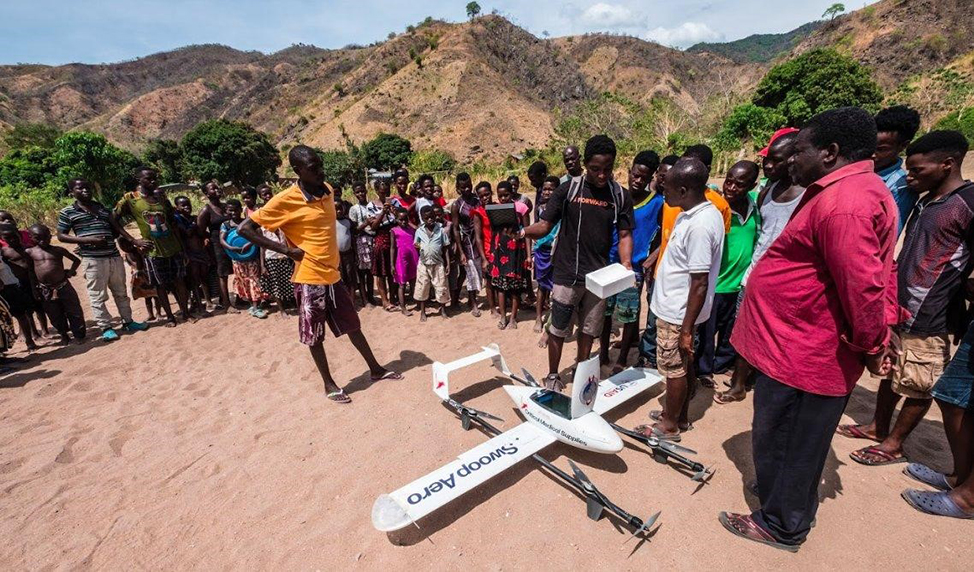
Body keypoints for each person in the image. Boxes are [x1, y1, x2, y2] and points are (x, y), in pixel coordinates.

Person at [719, 107, 900, 552]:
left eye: (798, 150)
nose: (790, 161)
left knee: (790, 438)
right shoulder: (846, 191)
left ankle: (782, 524)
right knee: (783, 434)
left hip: (807, 353)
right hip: (794, 347)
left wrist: (872, 343)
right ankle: (782, 497)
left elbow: (864, 287)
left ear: (830, 152)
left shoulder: (847, 204)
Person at [839, 131, 973, 467]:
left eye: (917, 171)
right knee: (894, 371)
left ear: (948, 163)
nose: (909, 177)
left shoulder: (967, 203)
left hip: (933, 312)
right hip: (902, 306)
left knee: (918, 380)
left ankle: (894, 443)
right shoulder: (929, 200)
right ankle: (878, 426)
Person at [238, 145, 401, 403]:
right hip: (309, 277)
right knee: (314, 334)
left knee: (353, 325)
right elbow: (245, 229)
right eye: (313, 169)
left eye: (320, 166)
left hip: (333, 275)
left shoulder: (327, 190)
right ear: (297, 171)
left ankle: (376, 369)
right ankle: (329, 384)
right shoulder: (285, 200)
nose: (320, 172)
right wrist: (285, 250)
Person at [521, 135, 634, 391]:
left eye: (607, 169)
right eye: (595, 170)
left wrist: (626, 264)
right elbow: (545, 225)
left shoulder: (619, 195)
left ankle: (582, 369)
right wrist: (522, 233)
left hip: (598, 279)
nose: (602, 175)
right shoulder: (568, 189)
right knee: (558, 329)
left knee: (589, 330)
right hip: (566, 274)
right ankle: (552, 375)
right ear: (585, 164)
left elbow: (626, 234)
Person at [634, 157, 724, 440]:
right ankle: (678, 416)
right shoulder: (695, 214)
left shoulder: (700, 225)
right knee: (683, 366)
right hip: (678, 311)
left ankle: (668, 426)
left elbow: (699, 282)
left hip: (678, 313)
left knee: (673, 369)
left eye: (669, 189)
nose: (664, 193)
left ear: (684, 190)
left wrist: (686, 328)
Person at [714, 131, 805, 404]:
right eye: (766, 159)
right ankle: (739, 384)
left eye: (774, 161)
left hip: (786, 280)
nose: (768, 166)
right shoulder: (766, 193)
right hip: (755, 275)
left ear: (793, 160)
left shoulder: (806, 195)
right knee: (745, 329)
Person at [56, 178, 149, 341]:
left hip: (113, 256)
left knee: (121, 292)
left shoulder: (100, 208)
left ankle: (128, 321)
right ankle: (106, 327)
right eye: (79, 188)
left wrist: (134, 241)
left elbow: (117, 228)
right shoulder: (68, 212)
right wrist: (88, 240)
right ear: (72, 192)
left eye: (87, 187)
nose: (85, 190)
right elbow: (61, 236)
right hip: (93, 259)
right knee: (97, 295)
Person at [695, 161, 760, 387]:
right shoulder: (716, 208)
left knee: (729, 330)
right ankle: (703, 371)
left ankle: (721, 364)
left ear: (751, 186)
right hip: (717, 282)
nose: (731, 187)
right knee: (706, 331)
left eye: (738, 184)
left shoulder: (754, 208)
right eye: (729, 181)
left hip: (740, 283)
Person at [600, 150, 663, 372]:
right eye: (635, 175)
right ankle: (603, 353)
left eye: (643, 178)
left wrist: (650, 260)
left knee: (628, 315)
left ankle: (622, 357)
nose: (637, 181)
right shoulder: (617, 197)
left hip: (633, 268)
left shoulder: (657, 203)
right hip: (609, 263)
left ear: (650, 179)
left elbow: (663, 236)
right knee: (606, 313)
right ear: (628, 172)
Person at [115, 167, 193, 327]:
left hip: (173, 247)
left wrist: (182, 248)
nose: (153, 181)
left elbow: (172, 223)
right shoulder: (131, 199)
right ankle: (170, 318)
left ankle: (186, 313)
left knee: (180, 281)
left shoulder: (161, 197)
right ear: (139, 180)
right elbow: (114, 219)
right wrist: (133, 241)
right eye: (149, 179)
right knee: (160, 285)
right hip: (152, 251)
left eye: (155, 178)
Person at [25, 225, 85, 344]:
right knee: (54, 314)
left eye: (46, 237)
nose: (43, 241)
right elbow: (30, 272)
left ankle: (79, 335)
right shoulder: (29, 252)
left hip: (63, 286)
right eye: (38, 238)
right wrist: (34, 289)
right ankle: (64, 335)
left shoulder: (58, 250)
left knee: (74, 311)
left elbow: (76, 260)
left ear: (50, 236)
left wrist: (71, 272)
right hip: (45, 289)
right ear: (31, 237)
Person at [875, 105, 922, 235]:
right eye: (870, 146)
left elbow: (889, 236)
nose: (873, 154)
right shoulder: (859, 167)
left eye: (881, 149)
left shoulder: (901, 188)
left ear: (903, 145)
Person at [490, 181, 531, 330]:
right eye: (500, 196)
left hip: (516, 252)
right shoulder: (494, 209)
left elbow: (527, 233)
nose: (503, 199)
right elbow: (494, 232)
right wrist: (492, 253)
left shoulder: (521, 208)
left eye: (506, 195)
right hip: (500, 251)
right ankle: (503, 316)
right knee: (501, 287)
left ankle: (513, 317)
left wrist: (528, 255)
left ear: (512, 193)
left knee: (514, 287)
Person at [220, 199, 267, 319]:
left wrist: (250, 243)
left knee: (254, 280)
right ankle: (253, 305)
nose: (233, 212)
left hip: (251, 258)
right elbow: (222, 240)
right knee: (244, 281)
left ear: (241, 210)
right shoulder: (226, 225)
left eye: (236, 210)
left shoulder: (247, 222)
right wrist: (231, 247)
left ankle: (256, 307)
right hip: (237, 259)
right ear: (226, 211)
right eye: (230, 210)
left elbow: (256, 236)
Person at [0, 222, 45, 347]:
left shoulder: (27, 249)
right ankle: (30, 338)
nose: (12, 239)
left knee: (30, 310)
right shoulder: (4, 252)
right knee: (22, 313)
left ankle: (35, 336)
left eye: (15, 236)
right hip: (12, 285)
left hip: (19, 284)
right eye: (7, 238)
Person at [196, 181, 235, 312]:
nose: (217, 189)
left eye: (217, 187)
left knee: (236, 270)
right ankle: (227, 304)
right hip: (217, 246)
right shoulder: (206, 210)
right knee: (222, 274)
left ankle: (238, 297)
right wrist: (207, 238)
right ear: (207, 194)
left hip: (232, 243)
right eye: (213, 189)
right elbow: (199, 231)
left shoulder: (226, 206)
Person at [450, 173, 485, 317]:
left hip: (480, 239)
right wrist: (460, 250)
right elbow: (455, 228)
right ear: (458, 188)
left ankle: (457, 299)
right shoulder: (457, 205)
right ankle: (473, 303)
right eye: (463, 187)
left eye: (469, 186)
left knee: (475, 271)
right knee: (470, 272)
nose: (467, 189)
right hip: (467, 242)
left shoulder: (478, 201)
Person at [173, 195, 211, 315]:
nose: (187, 207)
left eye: (188, 204)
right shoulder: (178, 220)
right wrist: (195, 223)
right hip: (189, 253)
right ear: (177, 207)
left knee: (204, 277)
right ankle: (200, 307)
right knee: (194, 281)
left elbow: (203, 233)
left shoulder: (193, 218)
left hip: (200, 251)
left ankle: (208, 301)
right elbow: (188, 233)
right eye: (183, 205)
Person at [533, 176, 561, 334]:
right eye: (545, 189)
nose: (547, 192)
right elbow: (537, 227)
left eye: (551, 189)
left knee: (557, 287)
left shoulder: (561, 208)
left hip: (556, 250)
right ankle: (538, 317)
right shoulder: (540, 208)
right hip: (542, 250)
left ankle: (552, 321)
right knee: (542, 286)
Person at [414, 205, 451, 321]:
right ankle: (423, 312)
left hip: (438, 263)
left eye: (431, 217)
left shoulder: (440, 231)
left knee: (441, 286)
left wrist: (448, 263)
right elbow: (416, 245)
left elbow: (445, 248)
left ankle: (443, 309)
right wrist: (420, 248)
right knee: (423, 287)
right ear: (422, 219)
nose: (430, 220)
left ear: (435, 217)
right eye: (426, 218)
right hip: (424, 264)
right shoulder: (419, 231)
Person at [370, 179, 399, 311]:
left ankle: (393, 297)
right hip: (381, 240)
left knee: (393, 271)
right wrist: (382, 213)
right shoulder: (371, 206)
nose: (384, 194)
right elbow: (374, 227)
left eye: (386, 191)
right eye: (382, 192)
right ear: (376, 191)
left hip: (395, 238)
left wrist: (393, 212)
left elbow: (402, 220)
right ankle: (385, 300)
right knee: (381, 273)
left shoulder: (395, 202)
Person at [348, 181, 377, 306]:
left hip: (372, 239)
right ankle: (365, 299)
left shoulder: (372, 205)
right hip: (361, 241)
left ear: (366, 191)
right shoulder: (354, 209)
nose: (360, 194)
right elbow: (353, 230)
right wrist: (366, 223)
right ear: (354, 194)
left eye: (362, 191)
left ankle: (371, 297)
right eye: (357, 192)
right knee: (362, 272)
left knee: (371, 272)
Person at [474, 182, 498, 316]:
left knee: (501, 279)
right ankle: (492, 308)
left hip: (500, 249)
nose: (485, 198)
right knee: (489, 281)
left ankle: (501, 303)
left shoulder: (499, 208)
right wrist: (483, 258)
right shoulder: (478, 213)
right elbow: (478, 237)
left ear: (491, 193)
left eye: (487, 194)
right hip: (488, 250)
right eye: (481, 196)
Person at [389, 208, 418, 316]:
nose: (404, 222)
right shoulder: (394, 231)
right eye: (401, 220)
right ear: (396, 219)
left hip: (413, 259)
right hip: (401, 260)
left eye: (406, 219)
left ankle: (418, 303)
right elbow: (392, 248)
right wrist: (392, 264)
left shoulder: (412, 230)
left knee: (414, 282)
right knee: (402, 284)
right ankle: (403, 307)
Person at [335, 200, 358, 300]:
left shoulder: (348, 222)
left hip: (348, 254)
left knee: (350, 277)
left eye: (340, 209)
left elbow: (352, 237)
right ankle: (343, 301)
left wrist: (355, 253)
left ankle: (351, 300)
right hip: (336, 255)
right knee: (340, 278)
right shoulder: (330, 223)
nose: (338, 211)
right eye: (336, 209)